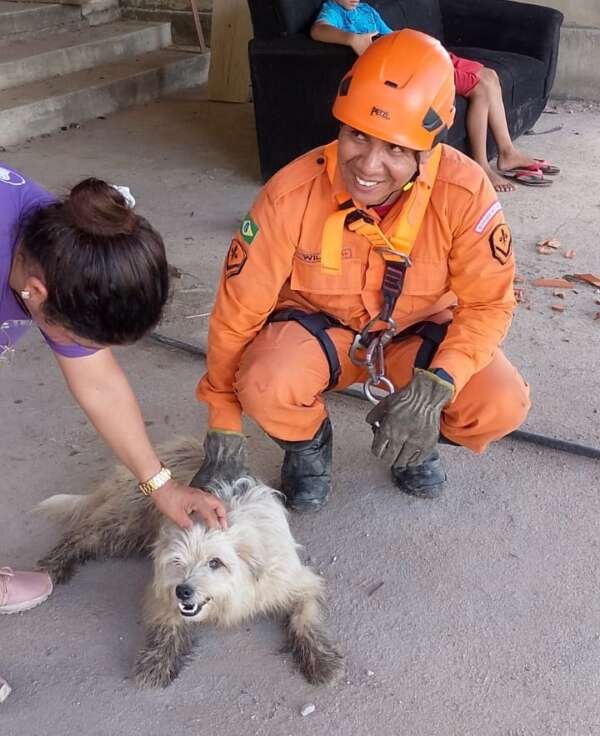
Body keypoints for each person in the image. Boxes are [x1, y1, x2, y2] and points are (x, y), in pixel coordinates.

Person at [193, 30, 530, 514]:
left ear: (429, 147)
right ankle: (307, 445)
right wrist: (223, 425)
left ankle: (414, 439)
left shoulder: (465, 193)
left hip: (415, 340)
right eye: (357, 136)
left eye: (395, 149)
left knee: (499, 404)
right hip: (322, 337)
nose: (368, 165)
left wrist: (437, 387)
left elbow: (489, 304)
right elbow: (236, 314)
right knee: (266, 383)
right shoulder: (290, 194)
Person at [0, 166, 227, 700]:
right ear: (35, 293)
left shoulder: (66, 246)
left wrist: (162, 486)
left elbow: (98, 380)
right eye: (78, 335)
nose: (81, 348)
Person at [310, 1, 560, 192]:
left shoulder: (366, 10)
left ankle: (507, 152)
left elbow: (395, 36)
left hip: (420, 58)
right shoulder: (332, 11)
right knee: (482, 87)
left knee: (491, 76)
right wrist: (352, 38)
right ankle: (482, 164)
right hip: (412, 73)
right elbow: (318, 31)